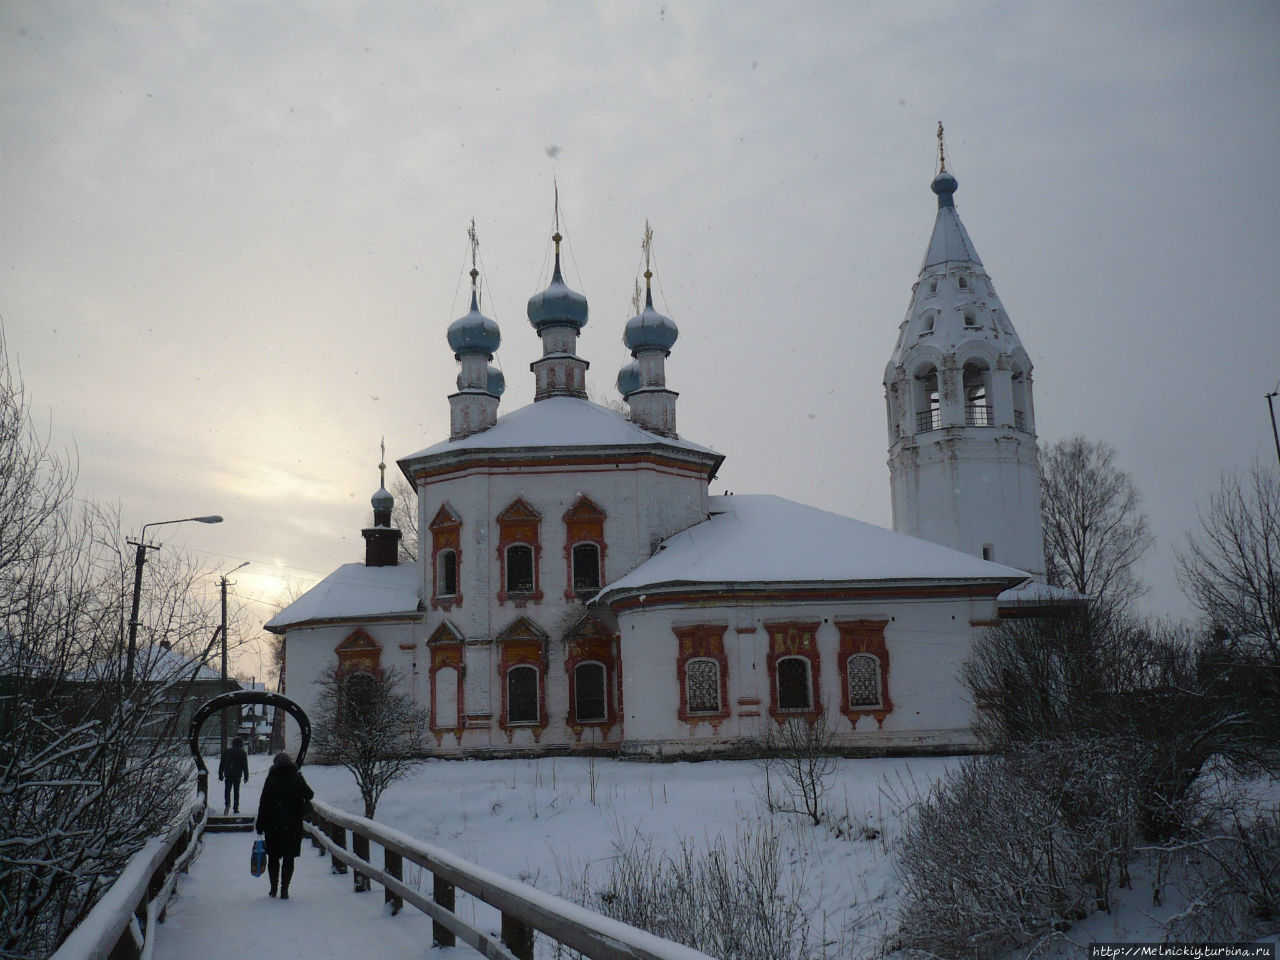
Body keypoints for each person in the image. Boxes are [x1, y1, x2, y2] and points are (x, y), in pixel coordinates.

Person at [255, 751, 314, 899]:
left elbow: (264, 803)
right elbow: (310, 794)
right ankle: (285, 890)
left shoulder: (271, 778)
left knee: (273, 858)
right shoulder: (297, 777)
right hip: (292, 823)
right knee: (289, 858)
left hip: (272, 824)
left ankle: (273, 888)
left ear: (275, 764)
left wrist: (260, 824)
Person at [217, 737, 249, 814]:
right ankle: (236, 808)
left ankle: (227, 804)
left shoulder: (226, 752)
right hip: (237, 774)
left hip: (228, 773)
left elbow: (222, 764)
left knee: (227, 790)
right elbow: (245, 766)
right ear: (240, 744)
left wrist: (220, 774)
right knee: (236, 791)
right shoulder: (243, 753)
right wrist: (246, 776)